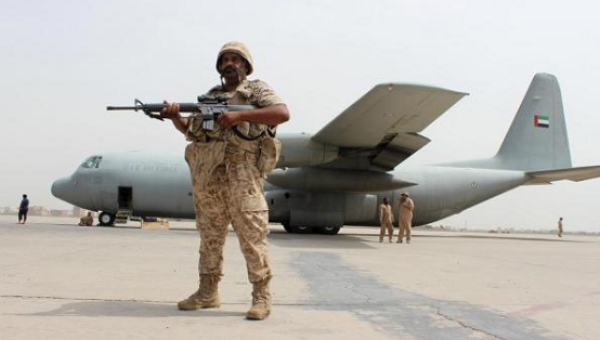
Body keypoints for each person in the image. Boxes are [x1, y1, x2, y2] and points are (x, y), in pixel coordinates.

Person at [161, 41, 289, 321]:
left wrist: (240, 114)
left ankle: (261, 297)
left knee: (252, 237)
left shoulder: (256, 90)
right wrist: (175, 117)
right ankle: (207, 293)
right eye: (224, 60)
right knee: (210, 237)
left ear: (245, 64)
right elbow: (195, 133)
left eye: (235, 59)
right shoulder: (210, 97)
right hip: (211, 177)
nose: (229, 63)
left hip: (243, 175)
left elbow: (282, 113)